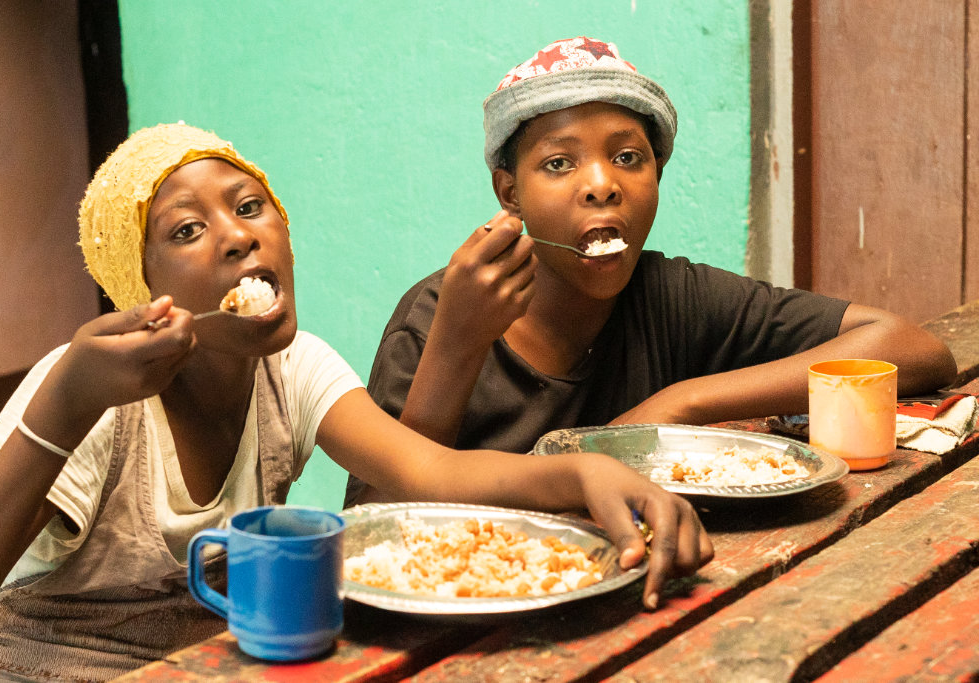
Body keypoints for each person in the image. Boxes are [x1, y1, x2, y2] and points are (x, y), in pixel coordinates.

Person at [0, 122, 711, 682]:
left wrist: (584, 473)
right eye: (187, 228)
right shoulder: (93, 388)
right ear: (141, 285)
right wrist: (62, 409)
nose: (236, 237)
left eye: (251, 206)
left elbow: (431, 474)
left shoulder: (294, 366)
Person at [346, 36, 957, 505]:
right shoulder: (438, 316)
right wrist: (456, 345)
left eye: (628, 157)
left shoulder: (669, 297)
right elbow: (375, 524)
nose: (601, 185)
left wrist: (681, 402)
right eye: (559, 164)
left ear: (656, 177)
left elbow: (914, 348)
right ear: (510, 194)